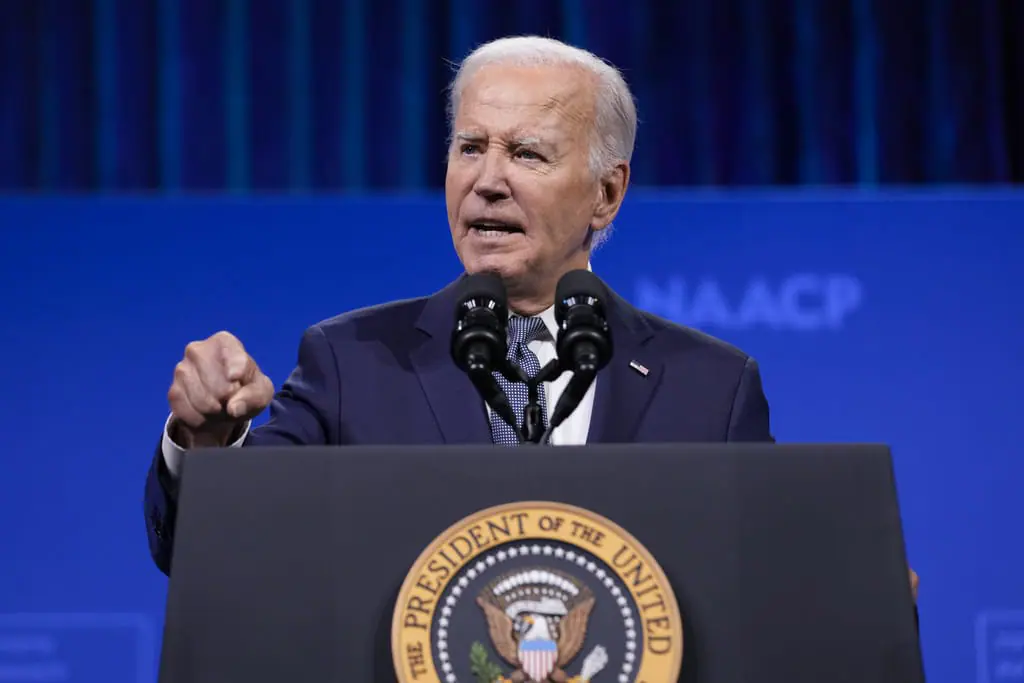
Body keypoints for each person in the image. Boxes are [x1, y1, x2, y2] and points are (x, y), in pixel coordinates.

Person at [142, 35, 918, 605]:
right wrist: (208, 447)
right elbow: (214, 558)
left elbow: (764, 595)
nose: (486, 182)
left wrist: (854, 601)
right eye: (469, 147)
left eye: (528, 154)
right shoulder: (350, 360)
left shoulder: (710, 386)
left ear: (606, 194)